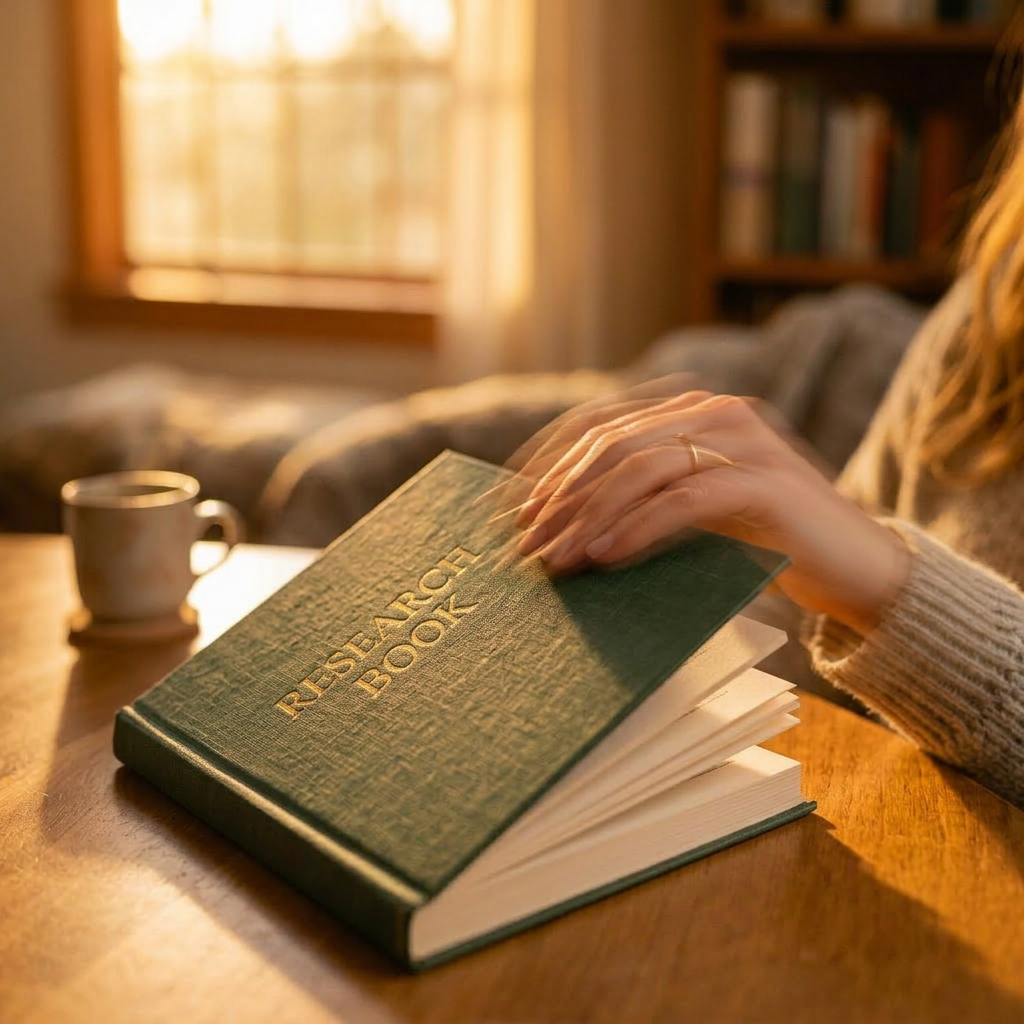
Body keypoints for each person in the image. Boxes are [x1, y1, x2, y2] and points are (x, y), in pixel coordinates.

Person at [504, 86, 1024, 810]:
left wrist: (888, 586)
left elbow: (865, 578)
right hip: (872, 811)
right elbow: (823, 631)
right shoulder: (994, 305)